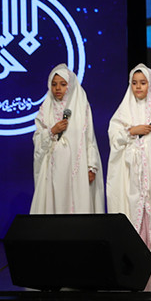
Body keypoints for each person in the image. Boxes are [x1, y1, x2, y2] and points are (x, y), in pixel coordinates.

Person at [106, 64, 151, 257]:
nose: (138, 87)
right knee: (133, 202)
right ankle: (135, 246)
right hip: (132, 169)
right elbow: (114, 135)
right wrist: (132, 131)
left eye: (143, 83)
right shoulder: (124, 110)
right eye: (134, 83)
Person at [30, 64, 104, 214]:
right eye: (54, 84)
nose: (58, 88)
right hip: (52, 168)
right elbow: (37, 138)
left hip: (77, 167)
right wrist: (52, 131)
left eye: (63, 84)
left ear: (70, 86)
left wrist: (91, 166)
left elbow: (89, 138)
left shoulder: (81, 106)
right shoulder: (46, 108)